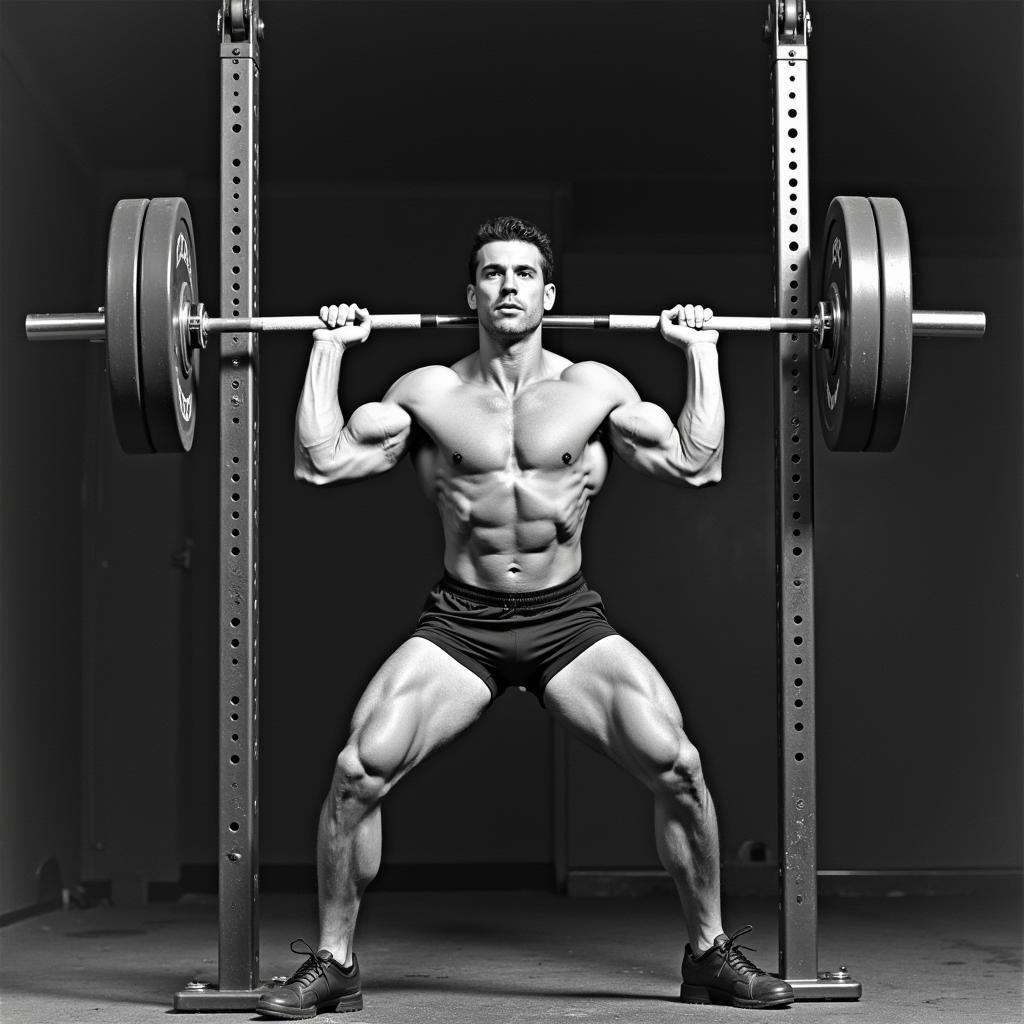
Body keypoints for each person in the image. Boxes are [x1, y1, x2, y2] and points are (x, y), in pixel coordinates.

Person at [255, 216, 794, 1019]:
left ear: (549, 294)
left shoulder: (594, 389)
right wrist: (329, 349)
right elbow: (321, 460)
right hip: (462, 623)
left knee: (677, 764)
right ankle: (334, 963)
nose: (507, 286)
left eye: (522, 274)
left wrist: (703, 352)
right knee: (356, 771)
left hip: (566, 621)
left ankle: (708, 953)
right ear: (470, 292)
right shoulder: (429, 392)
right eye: (491, 273)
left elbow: (697, 463)